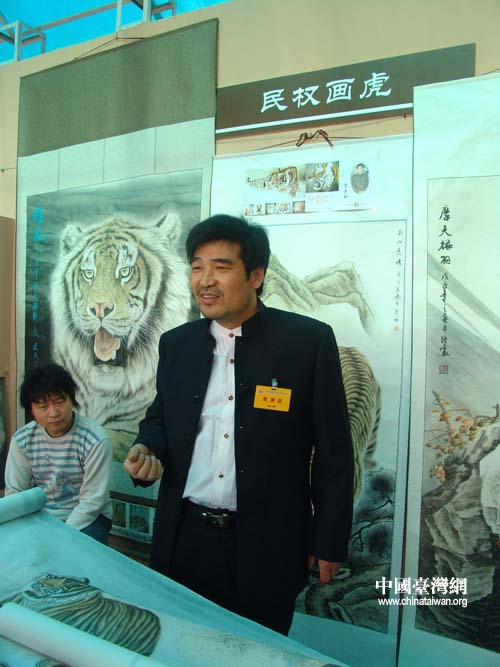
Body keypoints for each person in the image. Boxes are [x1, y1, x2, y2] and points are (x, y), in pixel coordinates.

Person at [124, 214, 354, 634]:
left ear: (256, 275)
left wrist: (329, 541)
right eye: (197, 267)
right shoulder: (177, 344)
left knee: (258, 649)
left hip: (267, 543)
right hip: (184, 537)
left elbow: (334, 453)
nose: (205, 280)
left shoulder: (307, 343)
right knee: (182, 645)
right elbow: (161, 415)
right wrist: (148, 447)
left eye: (221, 267)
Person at [5, 363, 113, 544]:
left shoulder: (95, 439)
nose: (54, 413)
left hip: (89, 517)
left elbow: (92, 502)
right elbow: (15, 493)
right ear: (31, 410)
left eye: (59, 402)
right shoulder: (22, 440)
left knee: (74, 553)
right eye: (43, 406)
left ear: (72, 400)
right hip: (41, 514)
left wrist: (60, 536)